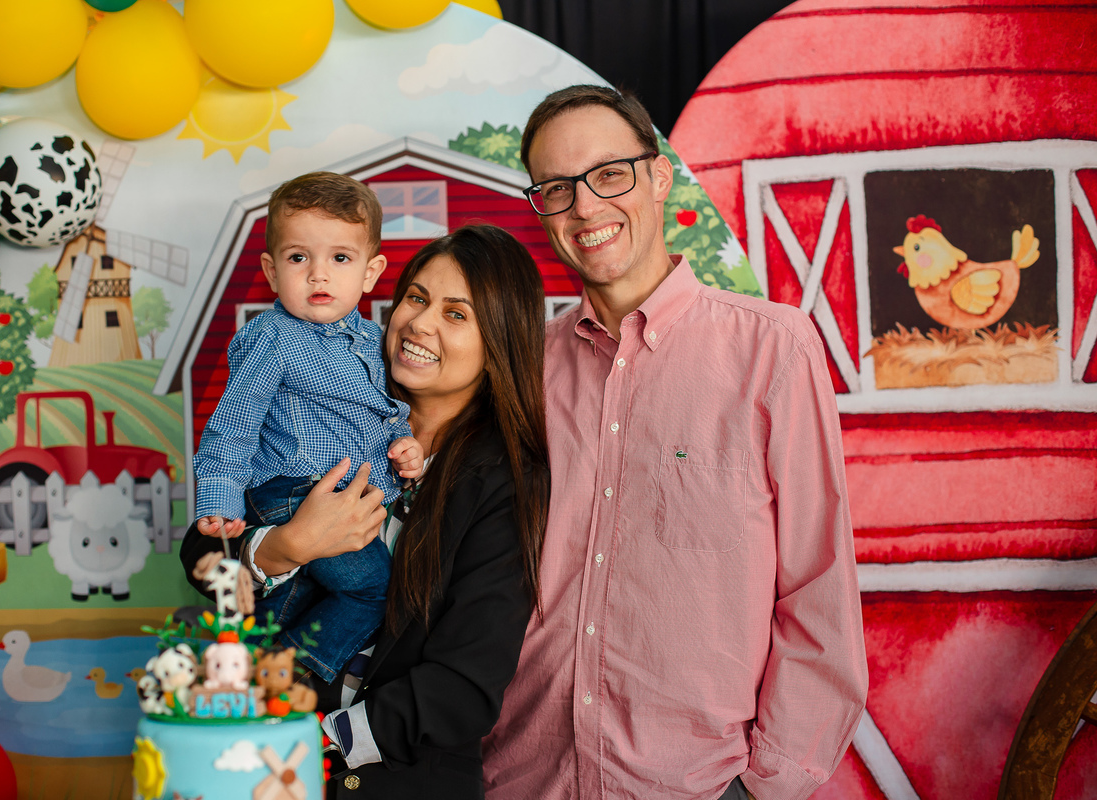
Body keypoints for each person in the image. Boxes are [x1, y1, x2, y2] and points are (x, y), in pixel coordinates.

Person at [481, 86, 868, 800]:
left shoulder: (772, 348)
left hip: (698, 785)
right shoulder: (522, 366)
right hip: (522, 777)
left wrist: (766, 785)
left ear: (659, 177)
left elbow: (818, 586)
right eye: (557, 189)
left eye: (609, 174)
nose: (586, 206)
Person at [181, 224, 551, 799]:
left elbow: (465, 685)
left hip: (389, 782)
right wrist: (285, 546)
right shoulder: (331, 402)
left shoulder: (503, 481)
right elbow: (203, 550)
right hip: (255, 765)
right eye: (416, 298)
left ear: (499, 343)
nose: (420, 324)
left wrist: (314, 736)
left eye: (456, 314)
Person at [190, 172, 423, 683]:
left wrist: (402, 445)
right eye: (299, 258)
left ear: (370, 272)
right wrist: (221, 502)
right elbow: (234, 424)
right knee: (372, 590)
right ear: (272, 271)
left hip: (334, 497)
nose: (319, 275)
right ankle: (287, 677)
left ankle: (247, 674)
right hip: (294, 492)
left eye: (340, 258)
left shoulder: (373, 340)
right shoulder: (272, 339)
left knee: (291, 600)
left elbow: (377, 414)